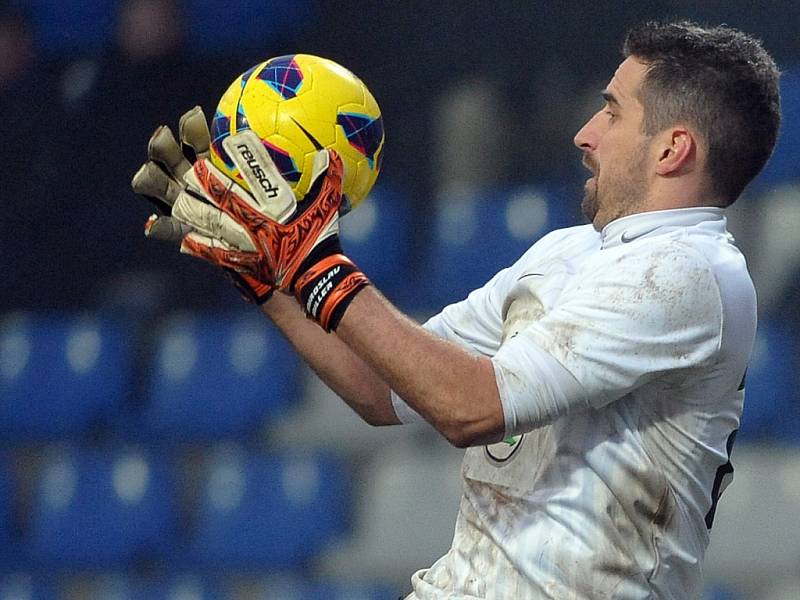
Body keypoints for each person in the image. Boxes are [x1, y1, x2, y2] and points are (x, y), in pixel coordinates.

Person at [133, 20, 780, 600]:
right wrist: (267, 276)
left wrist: (313, 265)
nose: (585, 135)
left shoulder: (688, 274)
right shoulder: (569, 251)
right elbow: (382, 390)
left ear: (673, 149)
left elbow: (474, 409)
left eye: (612, 113)